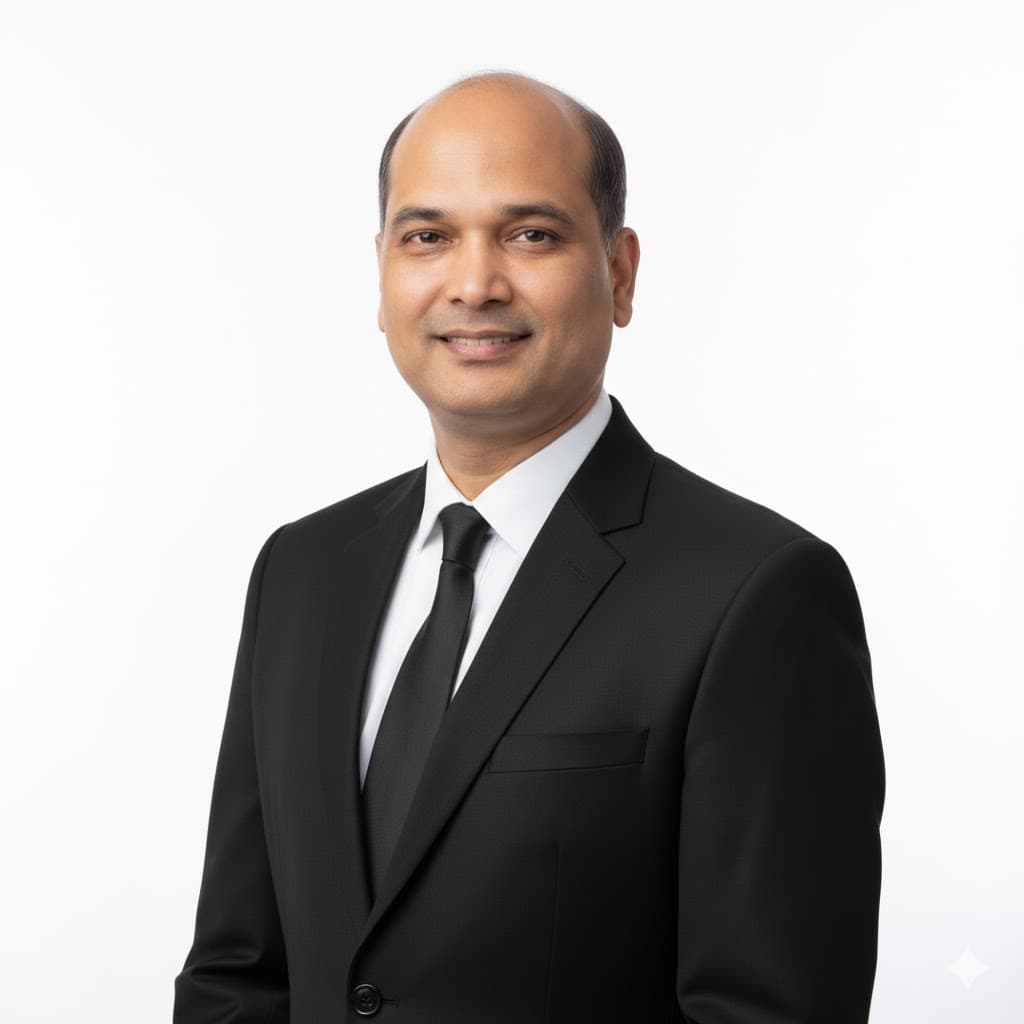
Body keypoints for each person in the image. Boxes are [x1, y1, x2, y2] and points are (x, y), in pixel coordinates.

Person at [173, 71, 885, 1023]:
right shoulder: (303, 572)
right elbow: (237, 973)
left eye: (531, 234)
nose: (474, 282)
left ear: (620, 272)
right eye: (428, 236)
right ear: (382, 275)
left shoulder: (757, 593)